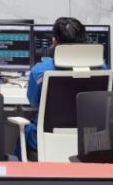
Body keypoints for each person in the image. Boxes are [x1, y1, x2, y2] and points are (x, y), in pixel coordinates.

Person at [23, 16, 88, 155]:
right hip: (89, 141)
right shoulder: (103, 69)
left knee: (25, 133)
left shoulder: (40, 71)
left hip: (47, 140)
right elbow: (108, 101)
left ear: (55, 42)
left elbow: (34, 102)